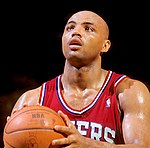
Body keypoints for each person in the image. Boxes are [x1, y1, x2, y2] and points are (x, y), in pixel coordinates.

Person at [5, 10, 150, 147]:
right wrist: (15, 139)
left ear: (105, 46)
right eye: (70, 28)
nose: (76, 32)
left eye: (88, 28)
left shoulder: (128, 92)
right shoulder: (32, 100)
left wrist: (88, 145)